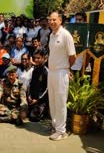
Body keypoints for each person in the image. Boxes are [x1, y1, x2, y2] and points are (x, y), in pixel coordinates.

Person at [48, 11, 76, 141]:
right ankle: (55, 126)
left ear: (60, 20)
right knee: (53, 101)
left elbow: (72, 56)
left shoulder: (66, 35)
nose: (51, 22)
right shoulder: (51, 35)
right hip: (52, 72)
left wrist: (66, 68)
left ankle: (61, 131)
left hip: (61, 72)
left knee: (60, 103)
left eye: (54, 19)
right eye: (50, 20)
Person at [28, 49, 48, 122]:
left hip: (41, 101)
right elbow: (31, 84)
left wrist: (38, 100)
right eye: (35, 58)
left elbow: (47, 89)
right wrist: (29, 95)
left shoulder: (46, 71)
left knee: (33, 117)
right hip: (32, 99)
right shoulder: (34, 70)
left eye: (38, 58)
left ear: (43, 58)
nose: (36, 60)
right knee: (23, 112)